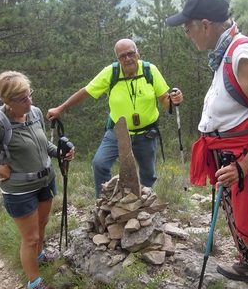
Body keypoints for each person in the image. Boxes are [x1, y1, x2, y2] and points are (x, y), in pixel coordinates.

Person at [166, 0, 248, 285]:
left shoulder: (242, 53)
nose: (187, 34)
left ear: (206, 25)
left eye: (189, 28)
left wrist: (244, 166)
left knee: (247, 217)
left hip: (241, 157)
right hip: (226, 154)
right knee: (233, 211)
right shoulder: (224, 52)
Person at [0, 71, 75, 289]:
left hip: (46, 180)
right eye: (23, 99)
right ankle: (35, 283)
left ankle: (40, 256)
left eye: (30, 95)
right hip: (19, 190)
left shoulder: (33, 113)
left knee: (43, 224)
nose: (30, 102)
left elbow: (42, 143)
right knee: (31, 238)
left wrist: (60, 153)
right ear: (8, 101)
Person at [47, 39, 183, 197]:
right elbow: (86, 92)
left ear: (137, 53)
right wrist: (61, 108)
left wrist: (173, 101)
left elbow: (164, 99)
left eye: (131, 53)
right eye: (122, 56)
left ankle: (142, 203)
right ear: (117, 59)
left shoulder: (150, 71)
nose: (128, 59)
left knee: (148, 173)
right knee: (99, 164)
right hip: (117, 131)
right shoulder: (110, 73)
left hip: (146, 132)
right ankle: (104, 201)